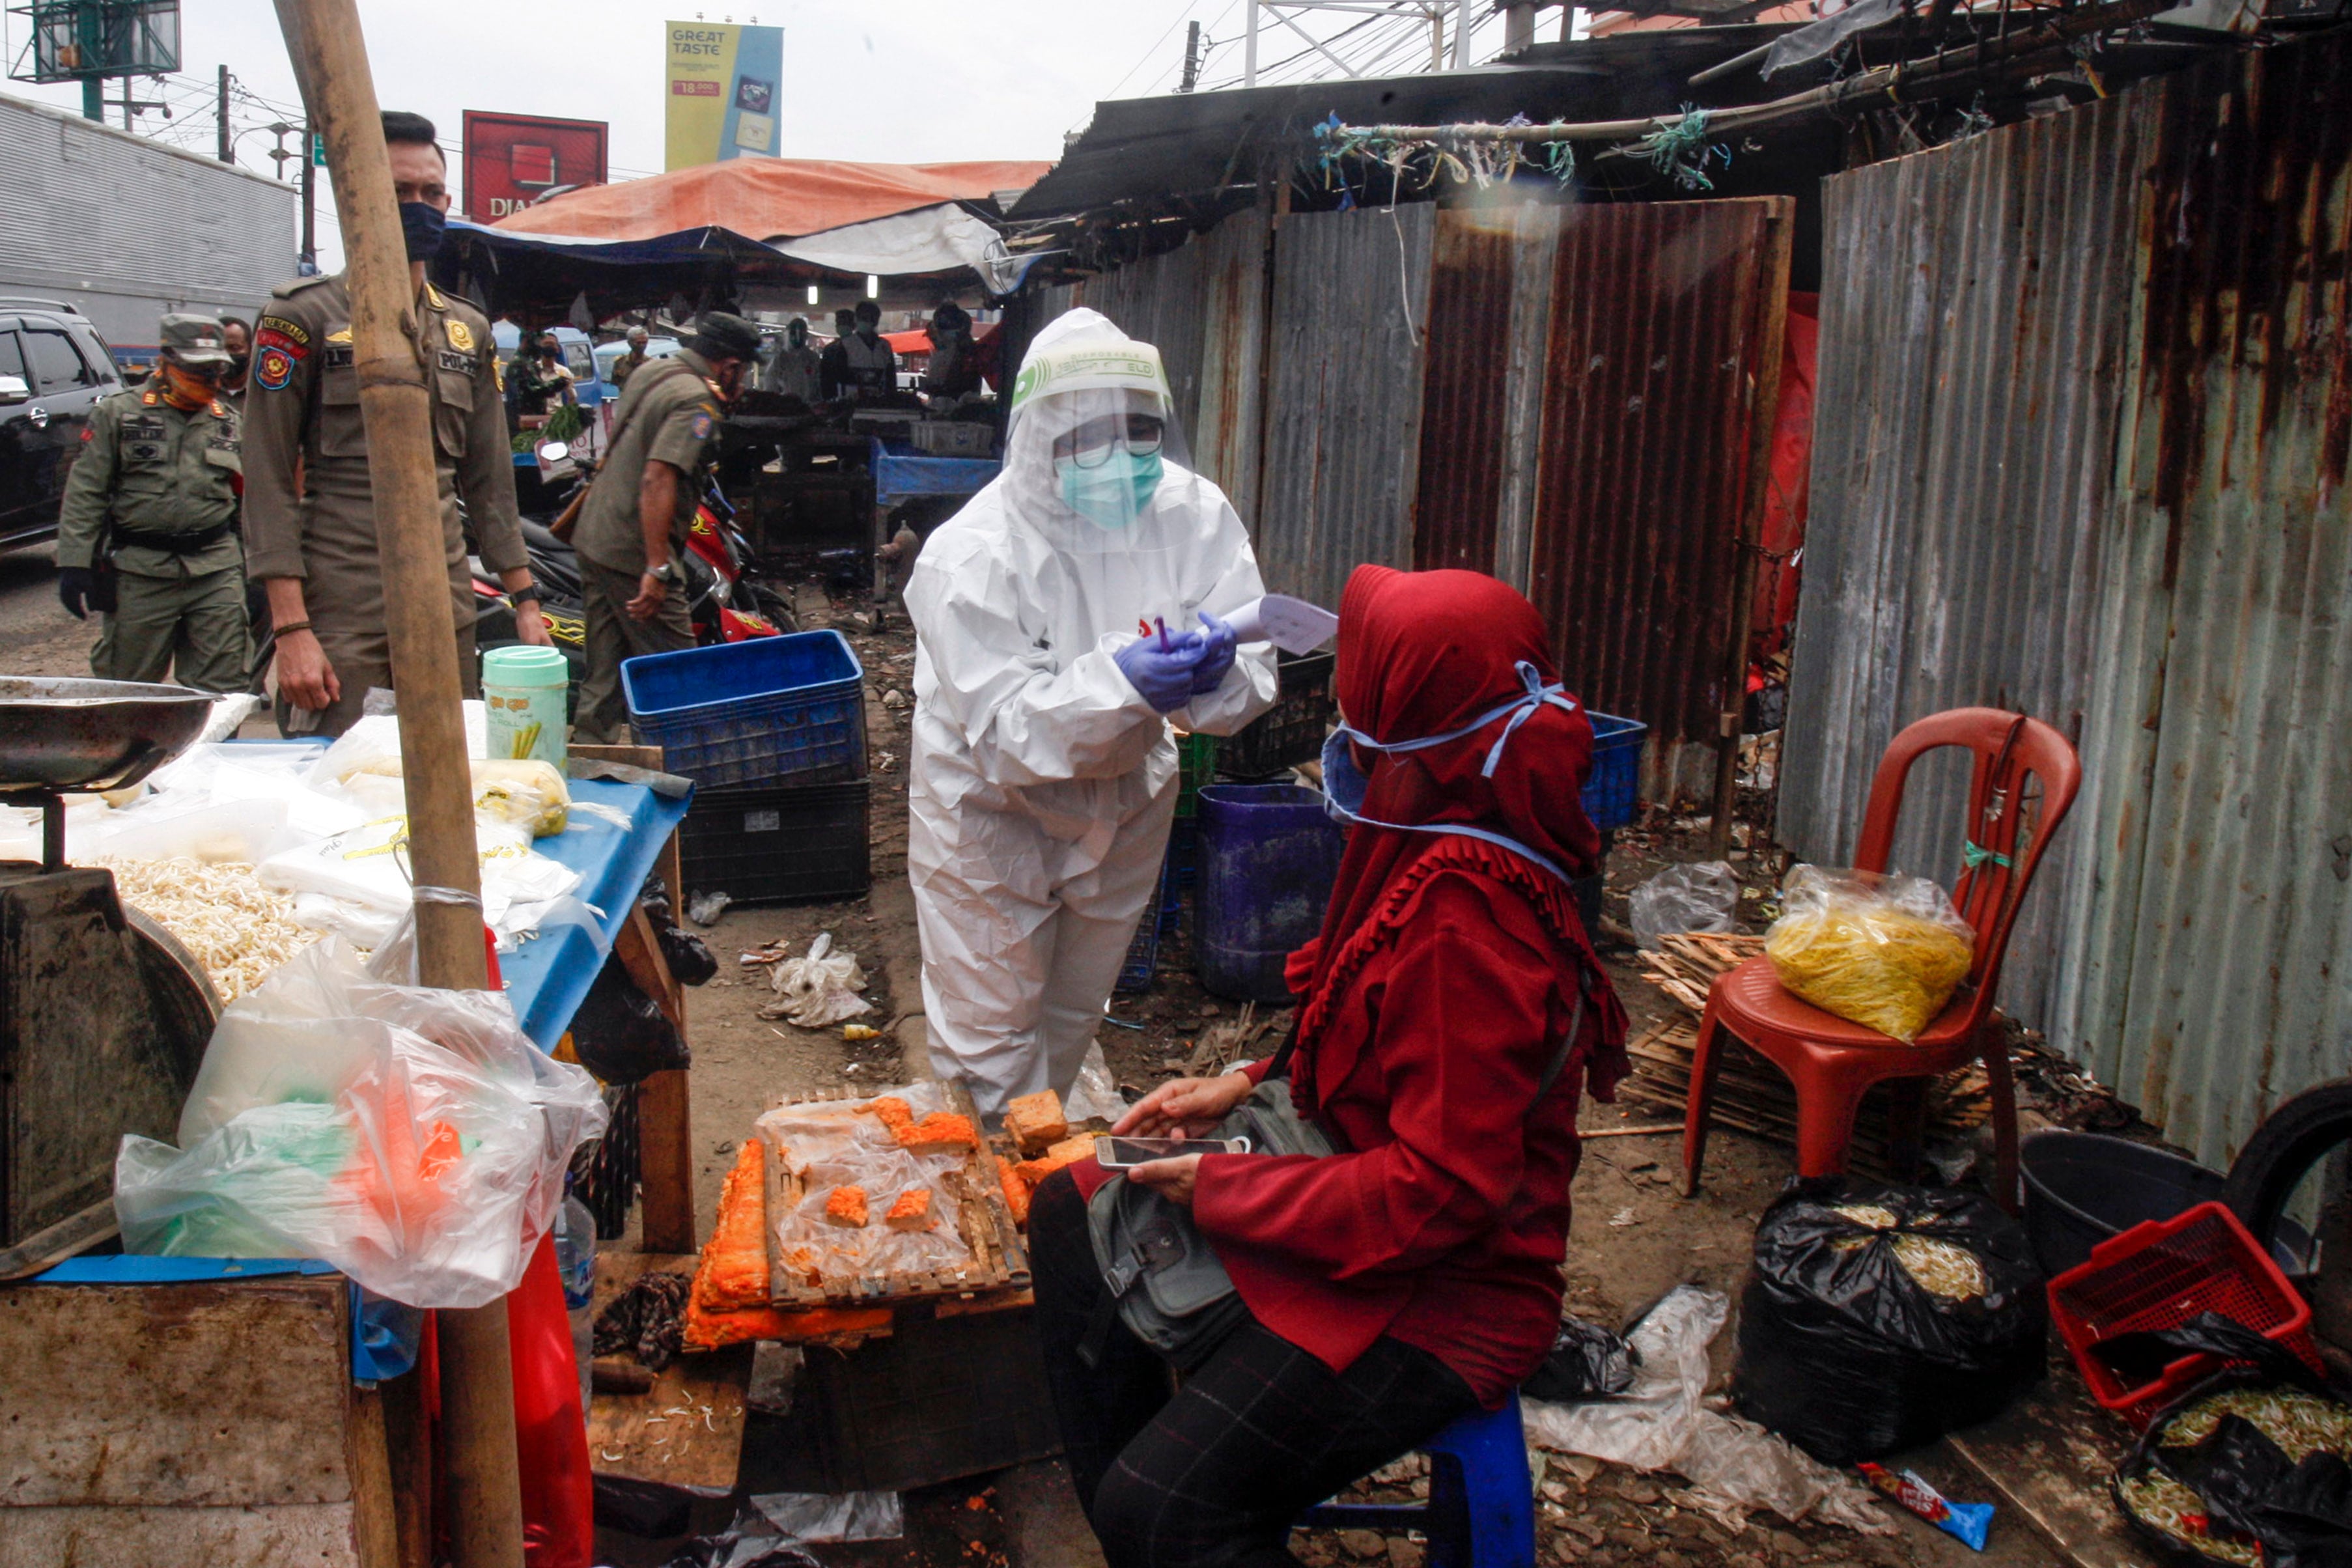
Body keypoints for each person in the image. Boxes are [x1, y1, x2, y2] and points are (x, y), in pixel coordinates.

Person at [1028, 563, 1630, 1568]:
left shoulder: (1464, 922)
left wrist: (1226, 1186)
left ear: (1414, 713)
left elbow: (1440, 1194)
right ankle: (1166, 1518)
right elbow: (1391, 1030)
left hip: (1444, 1288)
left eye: (1367, 685)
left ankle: (1174, 1520)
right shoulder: (1448, 820)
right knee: (1068, 1212)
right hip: (1354, 1166)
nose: (1348, 719)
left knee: (1167, 1508)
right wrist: (1254, 1078)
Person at [905, 308, 1278, 1113]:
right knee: (990, 1037)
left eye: (1141, 431)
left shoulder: (1192, 514)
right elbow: (1007, 737)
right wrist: (1124, 684)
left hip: (1128, 797)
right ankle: (1005, 1197)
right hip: (987, 811)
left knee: (1073, 1011)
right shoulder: (970, 555)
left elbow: (1254, 670)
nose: (1121, 458)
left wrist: (1216, 673)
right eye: (1088, 437)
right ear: (1039, 438)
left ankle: (1043, 1177)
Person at [241, 109, 550, 736]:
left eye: (430, 193)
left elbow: (489, 483)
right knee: (340, 785)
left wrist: (525, 602)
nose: (419, 207)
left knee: (452, 770)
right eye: (398, 192)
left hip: (446, 602)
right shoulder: (302, 317)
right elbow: (267, 480)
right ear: (357, 199)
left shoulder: (468, 331)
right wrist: (291, 629)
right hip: (343, 606)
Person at [569, 309, 761, 743]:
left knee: (604, 670)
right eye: (743, 371)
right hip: (633, 548)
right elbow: (659, 477)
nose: (744, 382)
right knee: (679, 676)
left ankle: (591, 755)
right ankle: (690, 774)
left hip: (595, 535)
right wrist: (657, 567)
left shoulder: (651, 373)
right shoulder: (697, 401)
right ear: (728, 366)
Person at [55, 312, 250, 692]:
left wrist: (255, 573)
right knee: (127, 685)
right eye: (198, 368)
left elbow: (247, 500)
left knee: (223, 687)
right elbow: (86, 492)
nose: (209, 379)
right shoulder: (119, 414)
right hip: (141, 573)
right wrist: (75, 563)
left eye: (215, 369)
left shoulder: (228, 421)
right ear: (167, 360)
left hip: (215, 569)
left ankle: (212, 752)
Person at [923, 301, 982, 402]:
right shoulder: (941, 351)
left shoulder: (963, 349)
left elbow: (963, 382)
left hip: (957, 403)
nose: (933, 339)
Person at [839, 300, 897, 399]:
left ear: (876, 321)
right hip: (852, 399)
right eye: (863, 318)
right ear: (856, 319)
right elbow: (839, 376)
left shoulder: (884, 346)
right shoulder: (846, 344)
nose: (867, 321)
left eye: (871, 318)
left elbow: (890, 376)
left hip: (880, 401)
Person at [766, 316, 822, 402]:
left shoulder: (813, 358)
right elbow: (771, 387)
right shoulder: (779, 360)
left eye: (801, 333)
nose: (797, 337)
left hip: (808, 407)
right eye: (793, 334)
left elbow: (818, 384)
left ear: (806, 335)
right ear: (788, 334)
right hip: (786, 407)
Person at [818, 307, 857, 400]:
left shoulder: (859, 348)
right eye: (838, 323)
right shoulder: (830, 349)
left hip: (855, 394)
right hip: (833, 395)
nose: (840, 326)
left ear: (853, 326)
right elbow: (824, 376)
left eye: (844, 323)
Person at [217, 316, 253, 413]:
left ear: (251, 350)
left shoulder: (262, 394)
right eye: (220, 349)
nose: (226, 355)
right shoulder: (203, 393)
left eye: (235, 348)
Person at [609, 325, 652, 390]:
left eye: (644, 343)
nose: (642, 346)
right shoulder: (620, 363)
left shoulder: (651, 364)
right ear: (630, 343)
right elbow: (616, 383)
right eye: (638, 343)